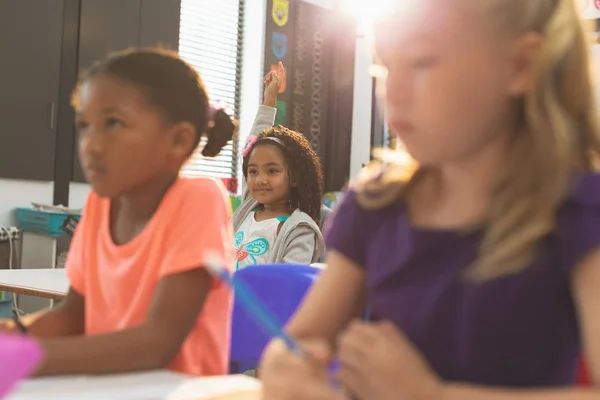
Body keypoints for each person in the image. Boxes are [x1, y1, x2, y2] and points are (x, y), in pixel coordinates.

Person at [259, 0, 600, 399]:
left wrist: (433, 394)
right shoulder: (376, 203)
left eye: (421, 62)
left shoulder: (578, 206)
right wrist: (286, 368)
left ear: (521, 66)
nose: (393, 91)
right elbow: (295, 344)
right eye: (384, 65)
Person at [0, 48, 235, 377]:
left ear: (178, 140)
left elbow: (156, 343)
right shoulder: (100, 204)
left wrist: (22, 357)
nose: (90, 145)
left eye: (113, 123)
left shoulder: (199, 199)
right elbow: (73, 315)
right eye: (84, 126)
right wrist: (13, 335)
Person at [232, 62, 325, 269]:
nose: (260, 179)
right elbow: (254, 140)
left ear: (294, 176)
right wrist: (269, 99)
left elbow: (286, 283)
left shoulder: (299, 228)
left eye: (272, 171)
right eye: (253, 171)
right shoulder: (249, 206)